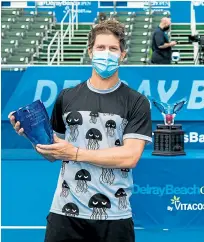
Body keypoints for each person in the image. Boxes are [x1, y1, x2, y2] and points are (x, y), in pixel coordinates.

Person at [8, 20, 152, 242]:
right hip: (65, 212)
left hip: (114, 214)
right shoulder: (67, 97)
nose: (106, 54)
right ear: (90, 52)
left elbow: (130, 157)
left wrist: (74, 153)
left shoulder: (136, 102)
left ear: (123, 55)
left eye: (113, 49)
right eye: (100, 48)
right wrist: (32, 136)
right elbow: (53, 153)